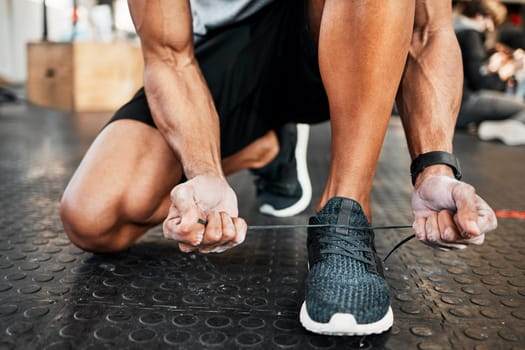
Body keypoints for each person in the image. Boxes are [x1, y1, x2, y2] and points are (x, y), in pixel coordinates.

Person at [60, 0, 497, 336]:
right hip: (218, 54)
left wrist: (435, 165)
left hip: (334, 29)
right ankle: (265, 150)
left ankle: (344, 213)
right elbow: (169, 57)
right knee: (94, 217)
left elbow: (427, 30)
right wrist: (204, 171)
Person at [455, 0, 525, 145]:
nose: (491, 27)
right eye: (491, 20)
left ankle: (492, 126)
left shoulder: (455, 31)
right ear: (480, 16)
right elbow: (481, 82)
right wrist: (506, 71)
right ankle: (493, 128)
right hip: (464, 104)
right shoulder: (470, 35)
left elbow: (473, 71)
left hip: (456, 104)